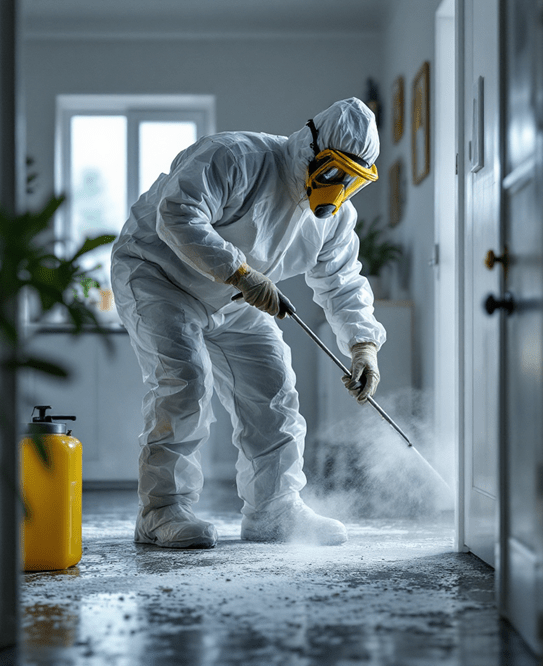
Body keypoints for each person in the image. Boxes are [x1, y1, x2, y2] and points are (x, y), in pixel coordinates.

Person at [111, 97, 386, 549]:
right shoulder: (238, 158)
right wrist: (240, 272)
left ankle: (274, 512)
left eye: (353, 180)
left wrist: (363, 346)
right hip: (157, 273)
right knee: (185, 382)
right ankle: (161, 511)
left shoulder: (335, 220)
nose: (338, 189)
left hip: (236, 296)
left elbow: (341, 280)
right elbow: (177, 213)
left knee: (274, 388)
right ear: (311, 147)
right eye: (334, 171)